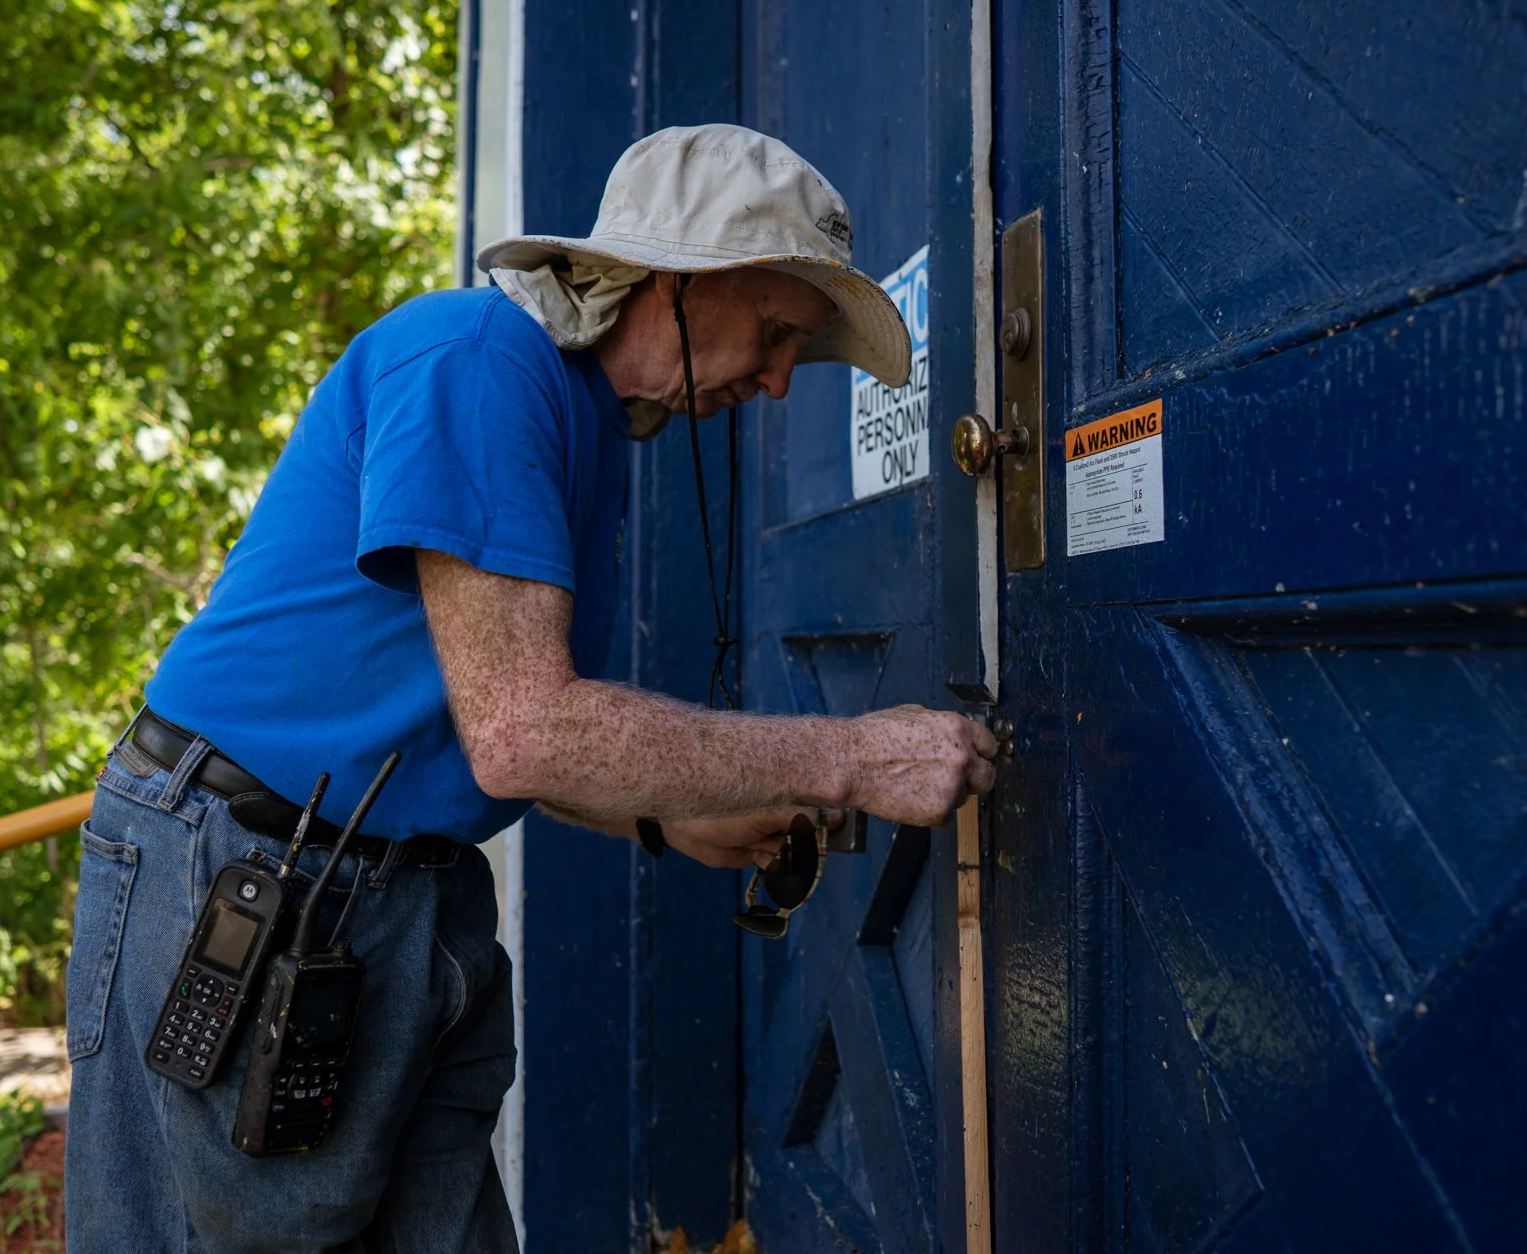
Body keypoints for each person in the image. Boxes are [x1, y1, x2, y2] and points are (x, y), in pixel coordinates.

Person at [63, 123, 999, 1252]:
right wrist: (856, 756)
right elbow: (525, 731)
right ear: (679, 281)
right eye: (774, 333)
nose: (779, 381)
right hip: (245, 874)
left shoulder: (580, 421)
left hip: (397, 893)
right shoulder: (475, 360)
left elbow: (495, 731)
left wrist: (658, 809)